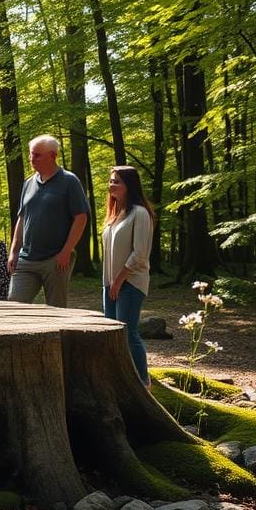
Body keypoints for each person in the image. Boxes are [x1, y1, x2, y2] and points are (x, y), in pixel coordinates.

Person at [7, 135, 89, 307]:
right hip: (26, 259)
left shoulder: (69, 181)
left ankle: (58, 335)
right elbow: (21, 219)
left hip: (56, 259)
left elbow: (81, 218)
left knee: (56, 308)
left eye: (37, 155)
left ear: (52, 156)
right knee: (14, 304)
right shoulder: (28, 183)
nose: (31, 159)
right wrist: (14, 251)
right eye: (31, 154)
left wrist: (67, 250)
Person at [102, 165, 155, 388]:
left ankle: (143, 382)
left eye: (117, 181)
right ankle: (121, 379)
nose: (111, 184)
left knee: (127, 332)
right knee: (112, 334)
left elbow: (140, 254)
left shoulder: (140, 213)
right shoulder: (115, 214)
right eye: (111, 180)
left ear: (129, 185)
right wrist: (110, 283)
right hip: (110, 283)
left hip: (130, 282)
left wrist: (120, 279)